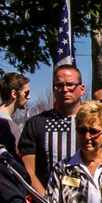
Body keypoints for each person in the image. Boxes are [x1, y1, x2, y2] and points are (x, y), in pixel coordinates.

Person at [20, 63, 86, 193]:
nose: (65, 89)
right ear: (54, 89)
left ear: (82, 89)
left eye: (70, 85)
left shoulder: (95, 124)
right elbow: (28, 173)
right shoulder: (36, 124)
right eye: (59, 85)